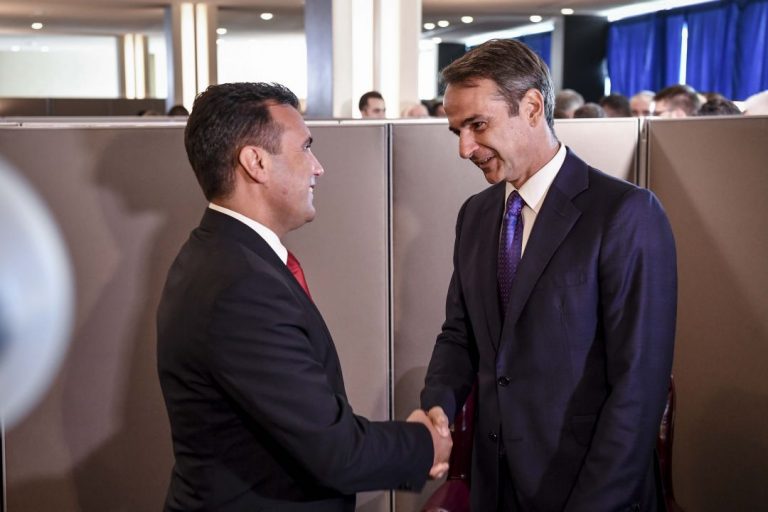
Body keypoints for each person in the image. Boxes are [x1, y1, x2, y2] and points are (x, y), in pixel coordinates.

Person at [157, 82, 450, 512]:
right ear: (256, 162)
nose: (318, 168)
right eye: (305, 148)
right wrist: (426, 444)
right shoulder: (240, 286)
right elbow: (336, 451)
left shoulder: (220, 256)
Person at [420, 39, 677, 511]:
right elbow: (460, 334)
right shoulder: (475, 214)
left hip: (588, 488)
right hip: (495, 485)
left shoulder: (624, 214)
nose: (464, 148)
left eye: (478, 125)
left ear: (533, 107)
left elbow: (638, 388)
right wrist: (437, 405)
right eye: (456, 130)